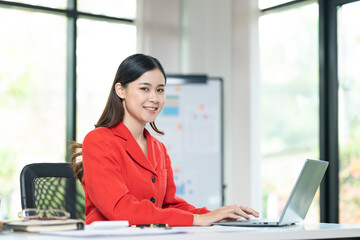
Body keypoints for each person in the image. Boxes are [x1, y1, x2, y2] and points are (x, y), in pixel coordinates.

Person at [70, 53, 259, 226]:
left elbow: (168, 205)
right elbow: (120, 209)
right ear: (120, 90)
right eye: (145, 88)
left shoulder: (157, 147)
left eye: (160, 90)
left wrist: (215, 215)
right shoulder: (99, 141)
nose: (154, 98)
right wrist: (197, 219)